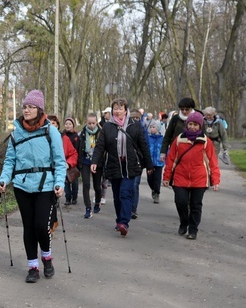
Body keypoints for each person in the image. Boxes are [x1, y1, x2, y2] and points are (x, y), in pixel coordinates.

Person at [0, 91, 67, 283]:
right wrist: (4, 179)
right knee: (28, 227)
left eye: (31, 107)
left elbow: (60, 161)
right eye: (25, 107)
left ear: (39, 109)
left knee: (40, 226)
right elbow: (10, 160)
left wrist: (59, 182)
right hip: (22, 186)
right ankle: (32, 267)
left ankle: (46, 257)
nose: (26, 110)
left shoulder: (49, 130)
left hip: (45, 185)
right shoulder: (16, 132)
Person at [91, 98, 154, 237]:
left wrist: (149, 164)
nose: (117, 111)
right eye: (115, 108)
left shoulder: (135, 125)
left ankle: (124, 222)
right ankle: (119, 219)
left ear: (126, 110)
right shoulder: (107, 126)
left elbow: (143, 145)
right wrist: (95, 161)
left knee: (126, 193)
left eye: (120, 108)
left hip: (130, 165)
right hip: (114, 165)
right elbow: (100, 146)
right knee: (117, 196)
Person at [163, 112, 220, 240]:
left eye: (195, 125)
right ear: (187, 125)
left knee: (195, 205)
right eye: (190, 124)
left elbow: (212, 162)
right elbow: (171, 159)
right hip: (180, 177)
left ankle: (193, 229)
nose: (193, 127)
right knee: (180, 202)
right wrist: (166, 177)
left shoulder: (206, 142)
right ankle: (184, 222)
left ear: (200, 126)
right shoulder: (179, 140)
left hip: (199, 179)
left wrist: (215, 180)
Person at [47, 115, 78, 207]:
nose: (51, 126)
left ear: (57, 125)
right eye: (49, 123)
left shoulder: (64, 139)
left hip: (58, 169)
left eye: (53, 123)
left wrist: (68, 163)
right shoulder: (39, 138)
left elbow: (73, 154)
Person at [78, 112, 103, 218]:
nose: (91, 125)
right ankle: (88, 208)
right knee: (86, 185)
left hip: (97, 162)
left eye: (93, 123)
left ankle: (97, 201)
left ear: (96, 122)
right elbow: (79, 148)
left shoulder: (101, 133)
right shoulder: (82, 133)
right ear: (86, 123)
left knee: (97, 186)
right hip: (85, 161)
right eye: (89, 123)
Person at [145, 120, 165, 204]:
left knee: (157, 179)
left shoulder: (162, 139)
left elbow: (165, 149)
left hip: (159, 162)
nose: (152, 129)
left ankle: (156, 193)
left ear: (158, 129)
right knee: (150, 179)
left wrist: (164, 156)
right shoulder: (148, 138)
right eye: (151, 127)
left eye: (154, 127)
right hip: (149, 162)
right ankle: (153, 189)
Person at [62, 117, 80, 205]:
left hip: (74, 162)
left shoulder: (76, 137)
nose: (68, 125)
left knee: (74, 181)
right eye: (66, 124)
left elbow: (78, 150)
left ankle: (74, 197)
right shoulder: (62, 136)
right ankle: (68, 198)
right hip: (64, 162)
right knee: (66, 182)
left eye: (70, 124)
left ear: (73, 125)